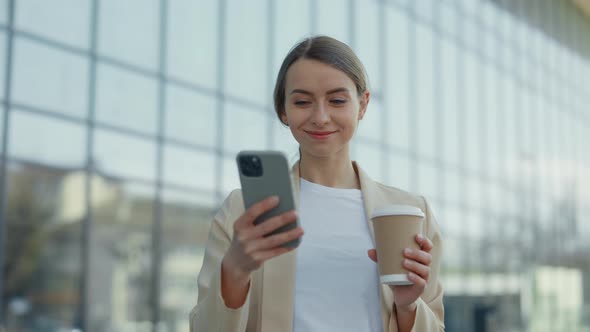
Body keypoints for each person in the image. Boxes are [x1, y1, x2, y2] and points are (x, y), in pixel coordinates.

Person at [190, 35, 444, 332]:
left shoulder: (410, 213)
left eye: (337, 100)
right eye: (302, 102)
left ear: (362, 105)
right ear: (283, 110)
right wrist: (234, 271)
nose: (321, 117)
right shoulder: (243, 210)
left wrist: (408, 307)